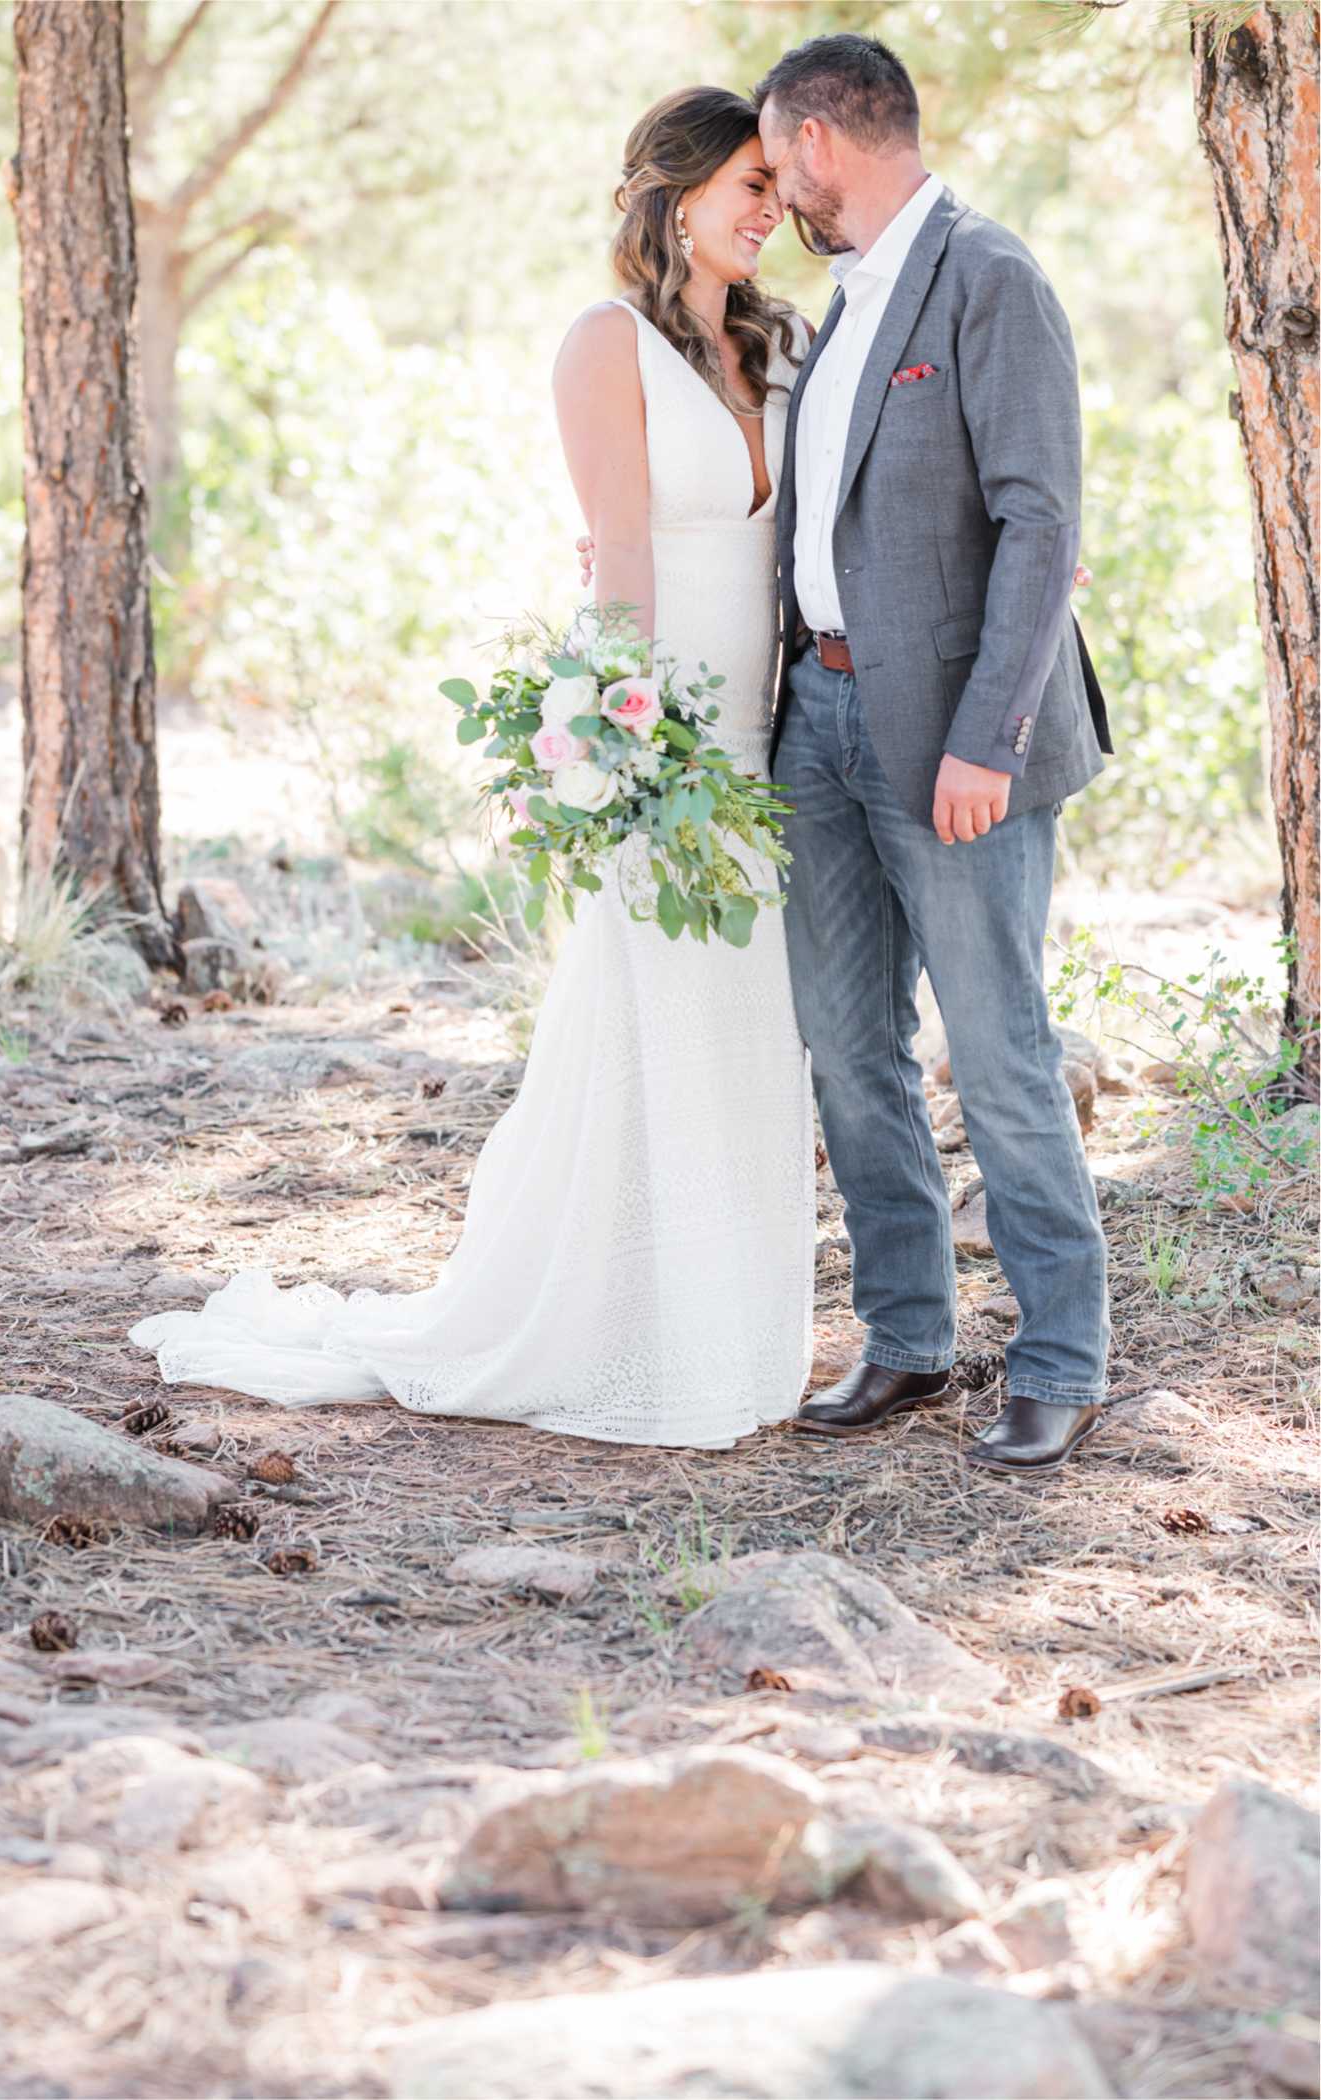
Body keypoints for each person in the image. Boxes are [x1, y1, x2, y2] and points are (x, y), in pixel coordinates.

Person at [130, 86, 817, 1450]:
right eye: (749, 181)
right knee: (660, 1020)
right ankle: (630, 1334)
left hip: (773, 739)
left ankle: (733, 1330)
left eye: (775, 185)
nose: (772, 207)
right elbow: (619, 546)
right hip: (667, 741)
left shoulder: (778, 342)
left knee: (753, 1042)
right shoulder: (602, 345)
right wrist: (624, 744)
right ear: (675, 194)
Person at [755, 35, 1112, 1475]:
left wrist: (989, 740)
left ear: (822, 142)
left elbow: (1043, 524)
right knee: (849, 1051)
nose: (779, 193)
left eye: (780, 164)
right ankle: (908, 1338)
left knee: (1000, 1053)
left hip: (958, 742)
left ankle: (1062, 1357)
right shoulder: (840, 305)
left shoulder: (993, 277)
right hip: (818, 729)